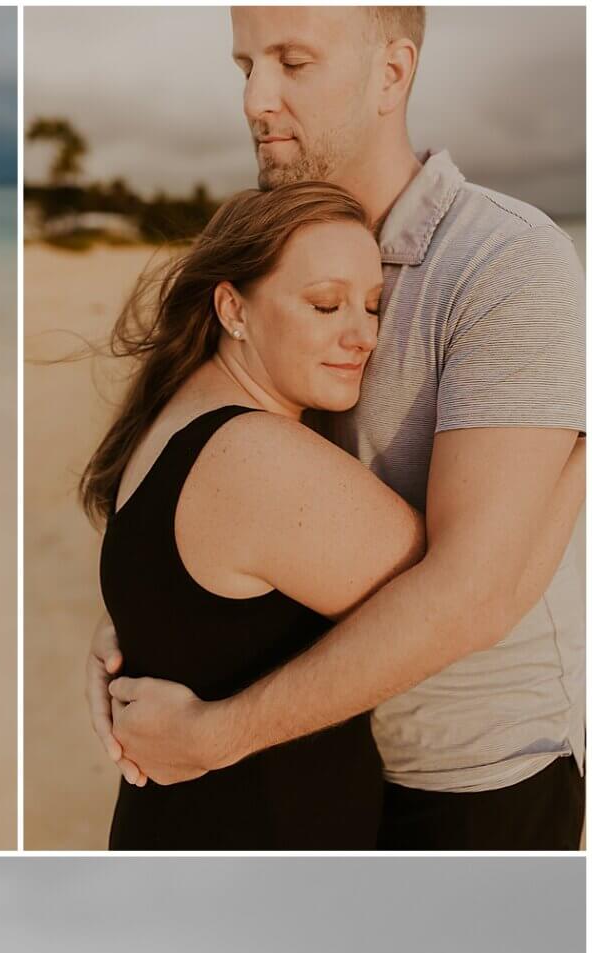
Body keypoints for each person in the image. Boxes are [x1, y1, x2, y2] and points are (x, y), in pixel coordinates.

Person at [89, 5, 586, 852]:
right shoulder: (275, 250)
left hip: (462, 780)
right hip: (302, 758)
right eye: (243, 65)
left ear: (391, 73)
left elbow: (474, 596)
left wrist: (215, 729)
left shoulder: (504, 262)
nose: (254, 99)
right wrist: (144, 633)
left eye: (291, 62)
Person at [87, 184, 415, 848]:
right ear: (232, 308)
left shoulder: (173, 419)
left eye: (373, 306)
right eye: (324, 304)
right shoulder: (253, 454)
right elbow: (468, 592)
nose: (363, 335)